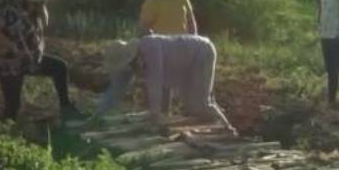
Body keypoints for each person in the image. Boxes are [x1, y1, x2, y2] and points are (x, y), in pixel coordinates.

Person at [0, 0, 81, 121]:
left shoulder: (31, 5)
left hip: (31, 58)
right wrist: (11, 47)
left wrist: (41, 6)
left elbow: (45, 23)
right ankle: (4, 134)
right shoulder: (3, 9)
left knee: (59, 68)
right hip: (10, 63)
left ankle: (66, 108)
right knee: (13, 105)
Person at [96, 34, 235, 133]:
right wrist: (99, 114)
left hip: (202, 52)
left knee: (201, 102)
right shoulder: (133, 62)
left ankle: (228, 129)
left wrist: (155, 114)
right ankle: (214, 127)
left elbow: (155, 82)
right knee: (189, 104)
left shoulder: (151, 47)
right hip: (186, 63)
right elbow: (117, 88)